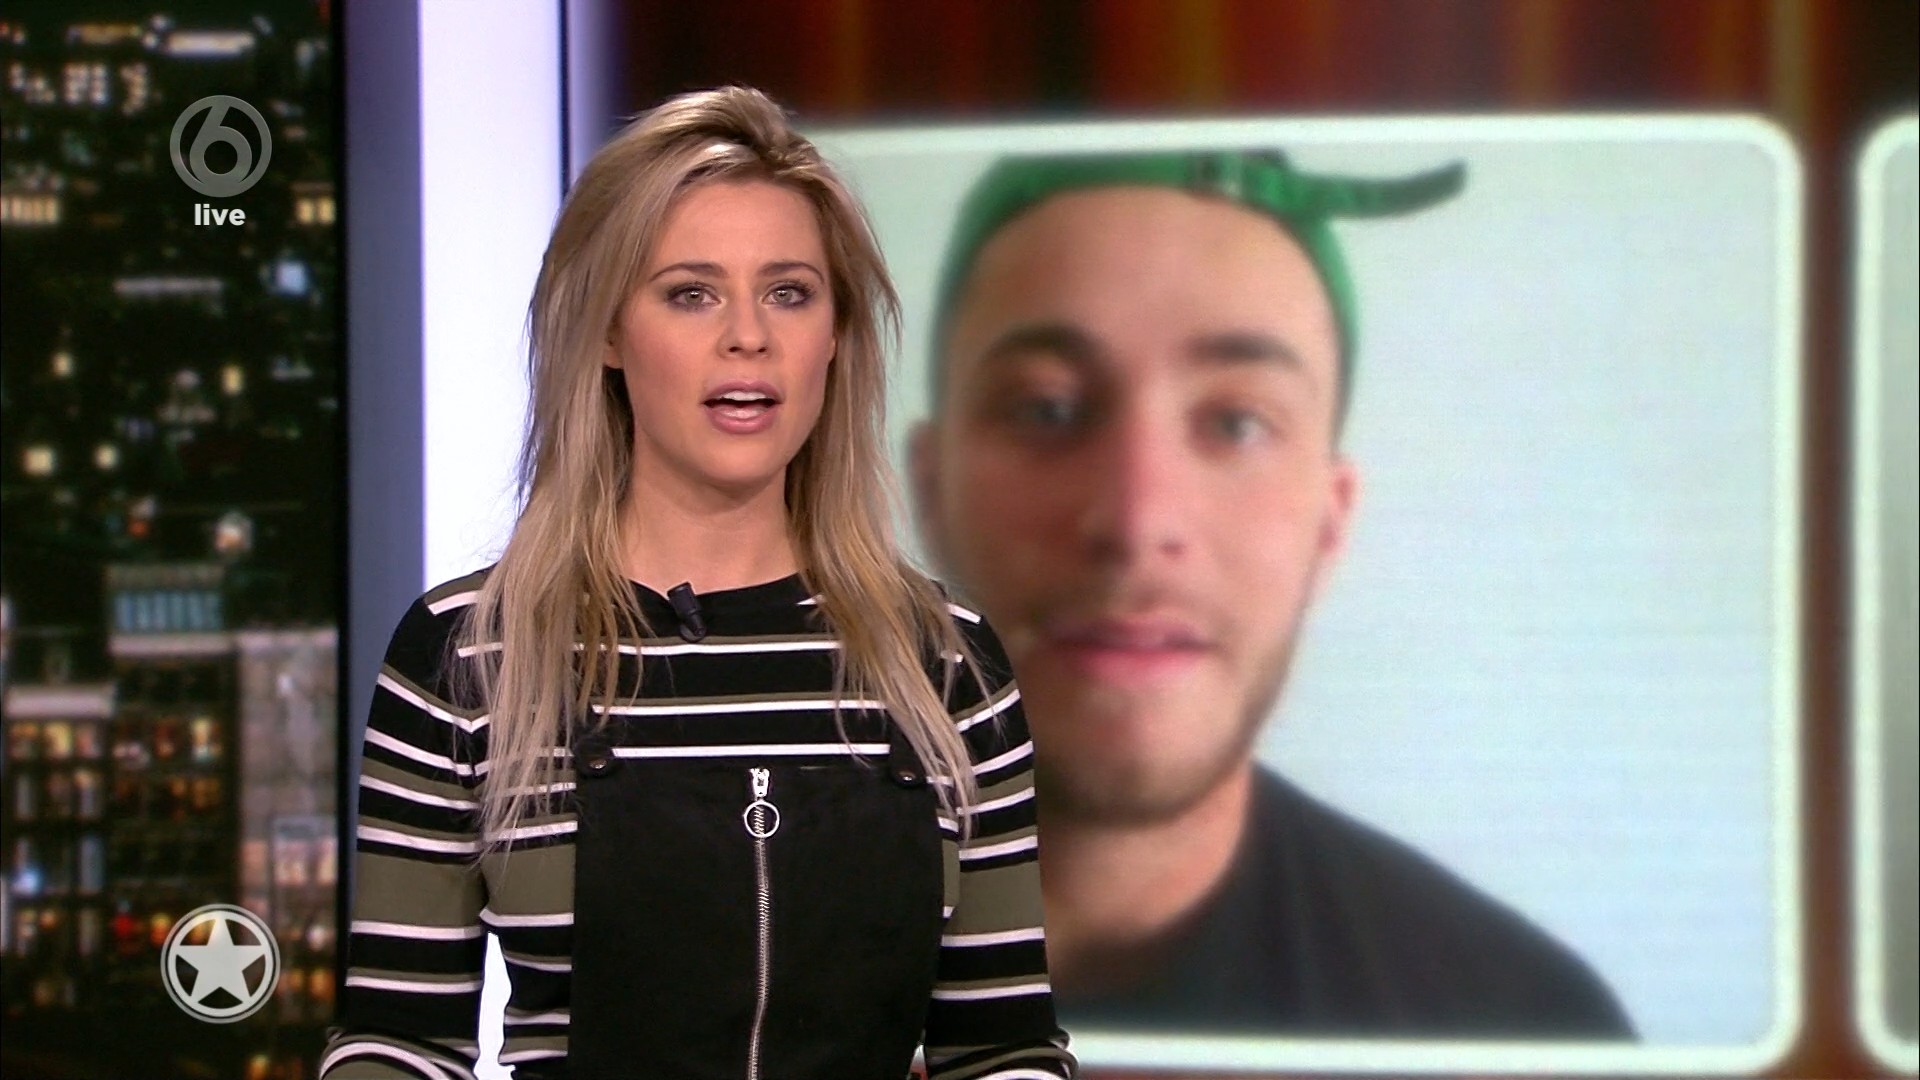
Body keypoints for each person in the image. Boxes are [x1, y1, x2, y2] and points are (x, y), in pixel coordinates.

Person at [321, 88, 1076, 1079]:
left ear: (835, 334)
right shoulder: (467, 655)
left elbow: (1003, 1046)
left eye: (789, 293)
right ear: (606, 333)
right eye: (691, 293)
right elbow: (399, 1041)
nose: (748, 336)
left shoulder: (947, 664)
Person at [908, 149, 1634, 1037]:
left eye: (1237, 421)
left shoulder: (1525, 1032)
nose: (1137, 520)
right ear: (931, 492)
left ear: (1329, 524)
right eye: (1046, 408)